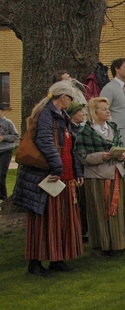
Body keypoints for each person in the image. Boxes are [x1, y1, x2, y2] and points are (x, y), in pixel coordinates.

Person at [12, 80, 85, 276]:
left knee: (61, 219)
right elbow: (45, 142)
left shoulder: (61, 116)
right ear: (63, 98)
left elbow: (71, 148)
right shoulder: (46, 114)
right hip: (49, 176)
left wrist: (77, 172)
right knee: (44, 220)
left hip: (62, 176)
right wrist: (57, 168)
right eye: (71, 98)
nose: (72, 102)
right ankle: (35, 263)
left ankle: (57, 258)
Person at [76, 97, 125, 257]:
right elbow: (82, 156)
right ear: (95, 112)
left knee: (117, 209)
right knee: (100, 211)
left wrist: (121, 156)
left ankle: (117, 243)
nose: (108, 111)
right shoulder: (85, 132)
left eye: (108, 108)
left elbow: (121, 145)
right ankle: (100, 245)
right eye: (103, 109)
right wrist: (102, 155)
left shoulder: (113, 127)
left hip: (115, 173)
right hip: (97, 177)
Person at [99, 58, 125, 216]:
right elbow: (103, 112)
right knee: (117, 169)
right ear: (117, 69)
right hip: (117, 137)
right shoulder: (109, 88)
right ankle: (114, 204)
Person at [66, 101, 89, 240]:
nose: (84, 113)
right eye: (81, 111)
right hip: (76, 171)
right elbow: (74, 152)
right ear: (73, 114)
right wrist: (79, 172)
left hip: (82, 169)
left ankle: (84, 230)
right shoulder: (70, 131)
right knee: (79, 202)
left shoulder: (80, 128)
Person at [0, 106, 20, 202]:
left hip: (6, 151)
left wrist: (4, 138)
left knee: (1, 175)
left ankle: (3, 197)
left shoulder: (8, 123)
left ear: (2, 112)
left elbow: (16, 136)